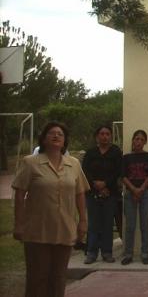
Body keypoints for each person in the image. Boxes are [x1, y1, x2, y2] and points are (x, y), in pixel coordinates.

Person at [13, 121, 89, 297]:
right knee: (37, 279)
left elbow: (80, 194)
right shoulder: (31, 162)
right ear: (44, 139)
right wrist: (18, 224)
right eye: (52, 133)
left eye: (60, 134)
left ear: (65, 141)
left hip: (64, 229)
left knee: (58, 278)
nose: (56, 136)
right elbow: (19, 193)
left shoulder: (74, 164)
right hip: (37, 230)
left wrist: (83, 222)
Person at [82, 124, 122, 264]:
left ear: (110, 136)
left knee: (107, 223)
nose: (105, 136)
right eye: (102, 134)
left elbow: (118, 171)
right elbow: (85, 171)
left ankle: (107, 252)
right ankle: (91, 252)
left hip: (110, 193)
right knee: (93, 223)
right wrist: (96, 184)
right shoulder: (91, 153)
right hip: (92, 192)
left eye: (107, 134)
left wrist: (105, 184)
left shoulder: (116, 152)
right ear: (97, 136)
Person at [121, 129, 148, 265]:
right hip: (130, 193)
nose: (139, 142)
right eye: (136, 139)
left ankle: (145, 253)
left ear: (145, 142)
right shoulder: (126, 158)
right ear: (133, 141)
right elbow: (123, 176)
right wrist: (134, 189)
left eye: (142, 139)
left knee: (145, 225)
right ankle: (128, 254)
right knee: (130, 225)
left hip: (145, 194)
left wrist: (140, 189)